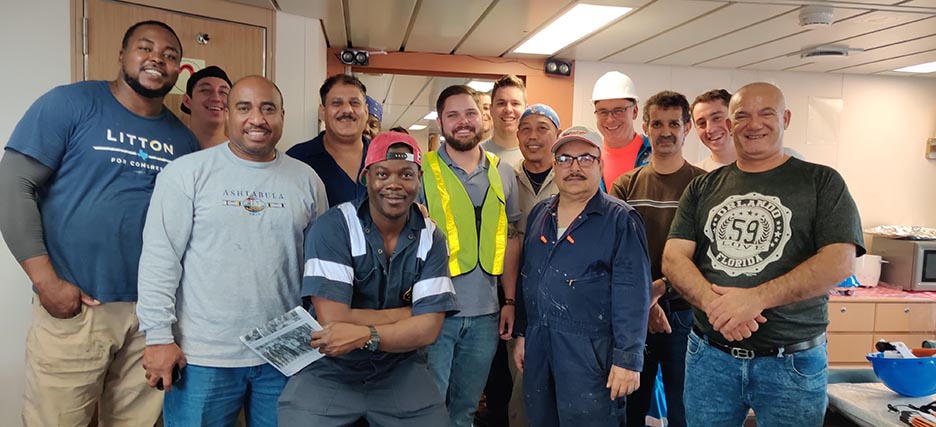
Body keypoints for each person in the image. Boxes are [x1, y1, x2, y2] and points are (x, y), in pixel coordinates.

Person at [0, 20, 198, 427]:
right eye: (145, 48)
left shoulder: (183, 141)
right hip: (79, 307)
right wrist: (46, 284)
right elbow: (12, 185)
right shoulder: (71, 104)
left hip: (152, 315)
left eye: (170, 55)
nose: (157, 59)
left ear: (179, 72)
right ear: (122, 55)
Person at [663, 82, 864, 427]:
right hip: (710, 358)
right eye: (742, 115)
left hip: (792, 363)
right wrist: (717, 306)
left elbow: (839, 260)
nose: (753, 124)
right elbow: (673, 258)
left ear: (785, 118)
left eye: (765, 113)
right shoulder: (702, 187)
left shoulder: (821, 182)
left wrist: (755, 299)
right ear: (730, 124)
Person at [136, 75, 329, 426]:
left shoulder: (306, 180)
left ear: (282, 115)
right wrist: (158, 336)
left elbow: (320, 269)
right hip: (204, 355)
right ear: (227, 113)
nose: (257, 118)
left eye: (268, 108)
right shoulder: (187, 173)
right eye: (244, 108)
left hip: (285, 351)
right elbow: (160, 260)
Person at [278, 131, 457, 426]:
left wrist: (366, 334)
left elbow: (428, 330)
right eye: (382, 173)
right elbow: (333, 321)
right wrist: (408, 314)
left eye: (406, 174)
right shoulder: (334, 227)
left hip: (400, 368)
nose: (394, 184)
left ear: (419, 179)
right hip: (330, 367)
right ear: (366, 177)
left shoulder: (431, 236)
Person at [514, 126, 652, 426]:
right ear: (554, 167)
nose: (574, 167)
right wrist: (524, 334)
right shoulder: (540, 213)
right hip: (539, 343)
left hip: (591, 353)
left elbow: (633, 294)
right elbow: (529, 276)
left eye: (585, 158)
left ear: (600, 165)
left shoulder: (620, 219)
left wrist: (627, 360)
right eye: (564, 159)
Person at [423, 84, 522, 427]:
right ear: (441, 122)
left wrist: (508, 300)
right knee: (428, 408)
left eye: (469, 113)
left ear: (482, 117)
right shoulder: (422, 171)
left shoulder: (503, 172)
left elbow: (510, 239)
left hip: (485, 316)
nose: (462, 122)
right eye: (452, 115)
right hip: (434, 314)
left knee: (464, 411)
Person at [610, 91, 705, 427]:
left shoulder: (704, 185)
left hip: (687, 316)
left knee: (685, 410)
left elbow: (708, 255)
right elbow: (616, 254)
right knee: (630, 408)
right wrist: (646, 302)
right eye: (658, 123)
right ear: (646, 126)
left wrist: (661, 289)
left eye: (674, 123)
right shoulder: (625, 185)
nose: (666, 131)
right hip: (634, 316)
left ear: (687, 128)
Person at [287, 74, 369, 207]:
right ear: (322, 112)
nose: (347, 110)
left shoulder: (386, 159)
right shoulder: (297, 159)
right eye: (337, 103)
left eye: (355, 103)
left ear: (366, 111)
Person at [692, 89, 805, 172]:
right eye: (701, 123)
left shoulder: (789, 158)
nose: (710, 129)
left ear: (731, 122)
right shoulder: (699, 176)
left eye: (717, 118)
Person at [592, 71, 651, 187]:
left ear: (634, 111)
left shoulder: (655, 154)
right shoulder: (588, 157)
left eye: (618, 111)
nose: (610, 119)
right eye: (603, 112)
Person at [481, 75, 527, 167]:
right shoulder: (476, 154)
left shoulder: (534, 155)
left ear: (526, 109)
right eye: (501, 103)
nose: (508, 109)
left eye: (515, 104)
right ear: (491, 109)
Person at [181, 65, 232, 149]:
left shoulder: (241, 155)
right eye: (205, 90)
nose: (216, 98)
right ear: (187, 101)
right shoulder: (170, 149)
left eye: (223, 92)